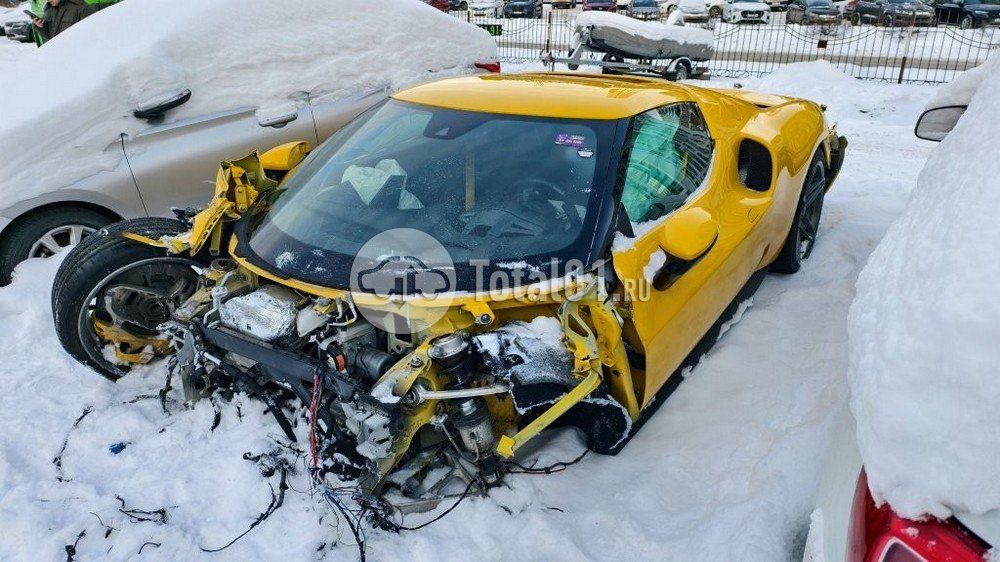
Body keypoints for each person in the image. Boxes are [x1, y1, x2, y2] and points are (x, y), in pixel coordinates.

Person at [32, 0, 97, 43]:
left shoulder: (79, 7)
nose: (48, 0)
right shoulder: (49, 9)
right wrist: (41, 27)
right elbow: (50, 36)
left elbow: (90, 37)